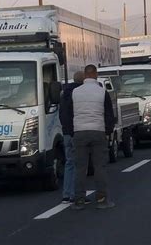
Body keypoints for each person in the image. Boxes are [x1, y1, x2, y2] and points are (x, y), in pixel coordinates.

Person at [70, 64, 115, 210]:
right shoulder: (102, 92)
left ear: (84, 75)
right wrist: (107, 131)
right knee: (99, 167)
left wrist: (72, 131)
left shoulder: (75, 92)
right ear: (95, 74)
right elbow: (109, 115)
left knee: (80, 168)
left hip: (79, 132)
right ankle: (102, 200)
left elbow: (69, 113)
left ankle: (79, 201)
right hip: (98, 131)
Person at [59, 71, 85, 204]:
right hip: (77, 131)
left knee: (69, 163)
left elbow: (61, 114)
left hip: (66, 133)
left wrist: (65, 129)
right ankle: (76, 194)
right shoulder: (79, 94)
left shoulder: (63, 94)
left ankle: (66, 194)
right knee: (79, 164)